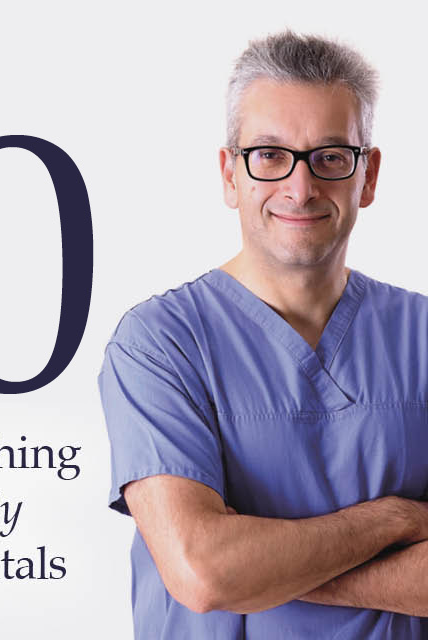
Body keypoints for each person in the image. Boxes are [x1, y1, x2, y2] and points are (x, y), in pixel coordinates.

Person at [99, 31, 428, 639]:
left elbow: (223, 574)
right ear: (230, 174)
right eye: (270, 156)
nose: (300, 188)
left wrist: (264, 566)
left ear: (369, 174)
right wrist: (394, 520)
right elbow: (203, 573)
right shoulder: (161, 345)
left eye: (331, 156)